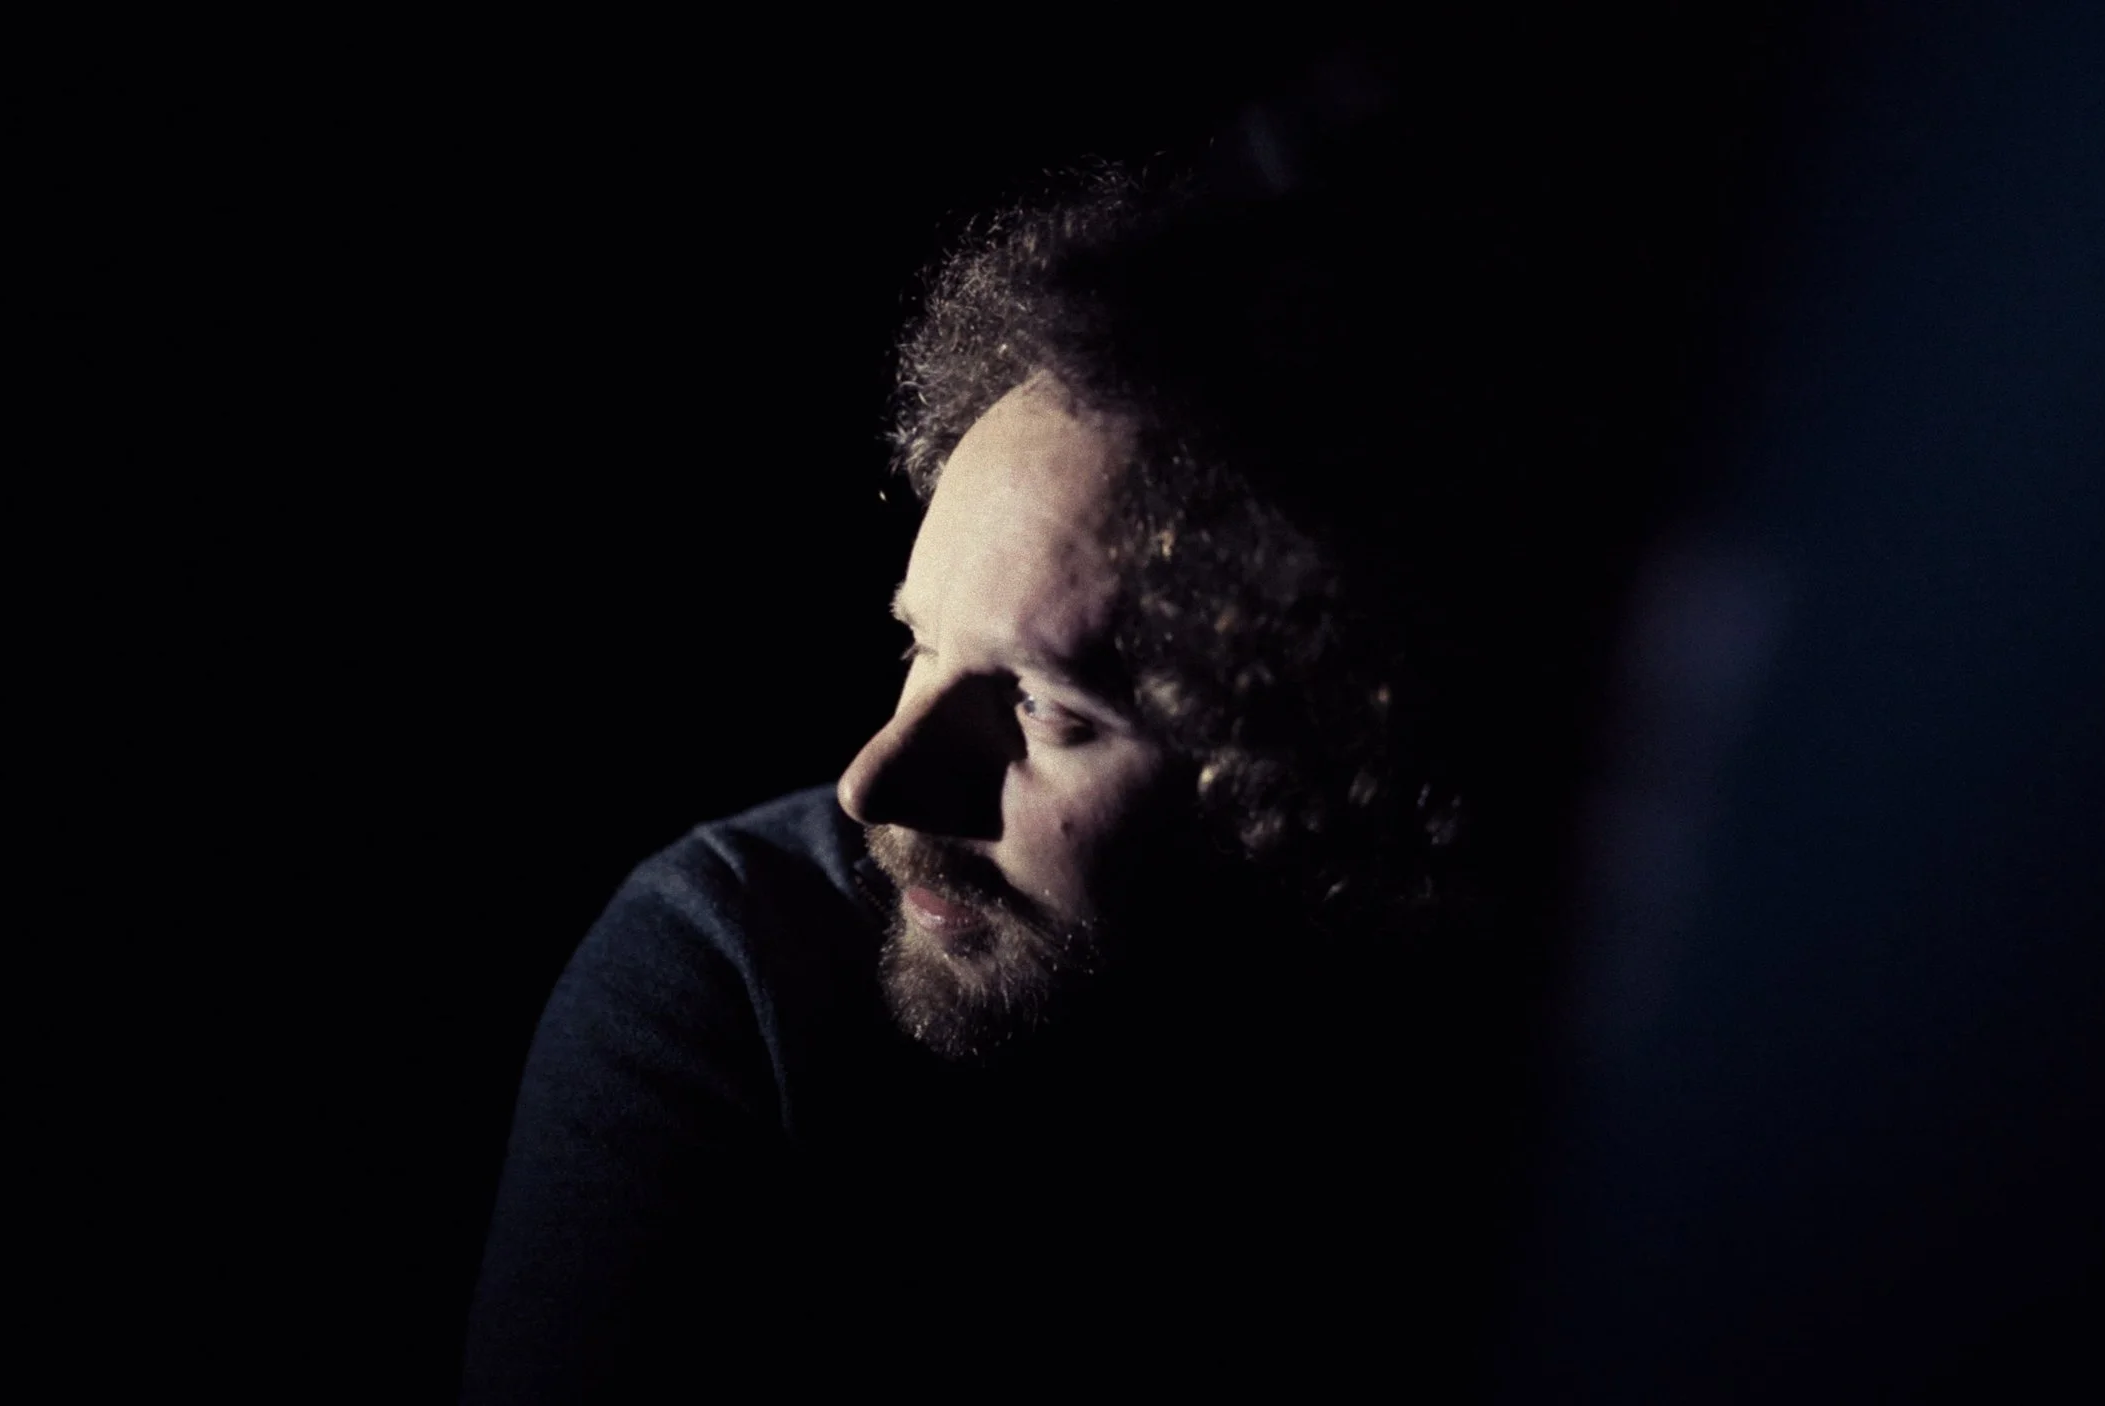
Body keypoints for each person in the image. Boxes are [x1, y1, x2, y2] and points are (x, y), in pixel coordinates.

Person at [462, 151, 1636, 1396]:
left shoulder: (1524, 1051)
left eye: (1041, 704)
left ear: (1328, 773)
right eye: (918, 646)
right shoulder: (731, 971)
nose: (877, 782)